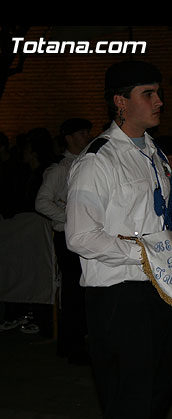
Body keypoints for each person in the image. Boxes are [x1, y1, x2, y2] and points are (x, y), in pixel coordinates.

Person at [65, 60, 172, 419]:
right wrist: (145, 253)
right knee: (129, 400)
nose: (159, 102)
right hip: (120, 294)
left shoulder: (153, 153)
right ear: (120, 102)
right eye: (147, 94)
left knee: (159, 389)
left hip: (161, 288)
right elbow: (82, 235)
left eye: (158, 93)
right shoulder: (97, 160)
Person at [35, 117, 93, 364]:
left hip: (84, 235)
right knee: (73, 291)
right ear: (69, 138)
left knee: (83, 290)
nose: (86, 136)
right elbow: (42, 201)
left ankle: (78, 342)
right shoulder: (61, 169)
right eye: (81, 133)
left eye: (86, 132)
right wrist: (70, 218)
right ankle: (71, 346)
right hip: (68, 236)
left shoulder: (87, 163)